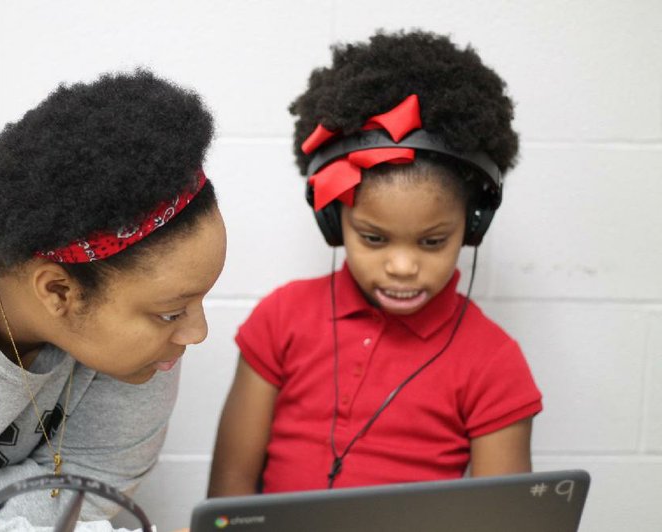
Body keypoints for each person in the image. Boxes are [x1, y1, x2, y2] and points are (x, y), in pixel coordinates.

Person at [0, 70, 226, 530]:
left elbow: (95, 486)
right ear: (57, 291)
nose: (197, 333)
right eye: (173, 312)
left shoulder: (123, 258)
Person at [208, 30, 542, 497]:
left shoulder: (494, 361)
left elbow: (502, 520)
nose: (402, 266)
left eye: (431, 242)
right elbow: (229, 493)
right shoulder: (280, 319)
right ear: (331, 219)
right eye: (373, 238)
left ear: (473, 226)